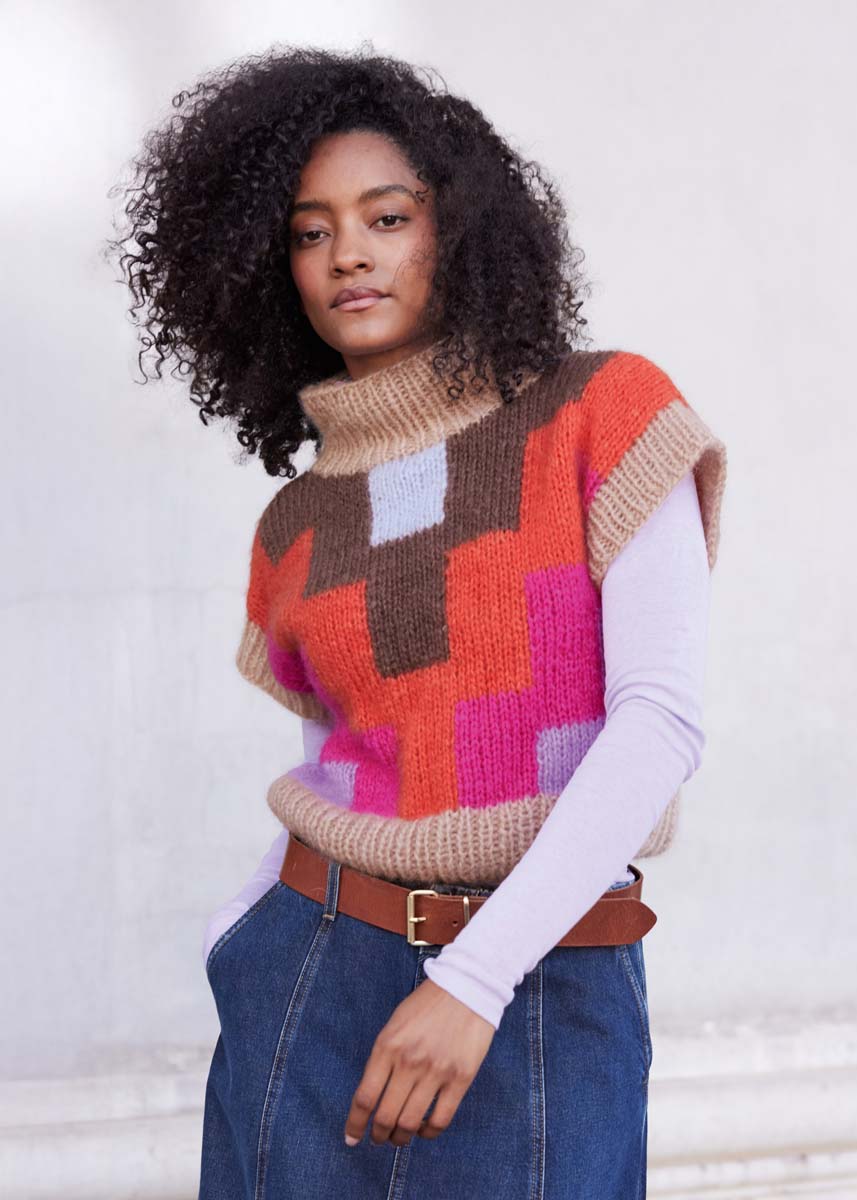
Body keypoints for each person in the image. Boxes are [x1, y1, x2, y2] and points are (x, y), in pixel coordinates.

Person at [108, 43, 727, 1200]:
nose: (347, 252)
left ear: (458, 226)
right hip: (310, 978)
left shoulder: (603, 411)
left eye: (385, 217)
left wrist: (473, 979)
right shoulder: (297, 523)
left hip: (534, 981)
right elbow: (343, 768)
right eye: (309, 231)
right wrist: (241, 942)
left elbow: (656, 727)